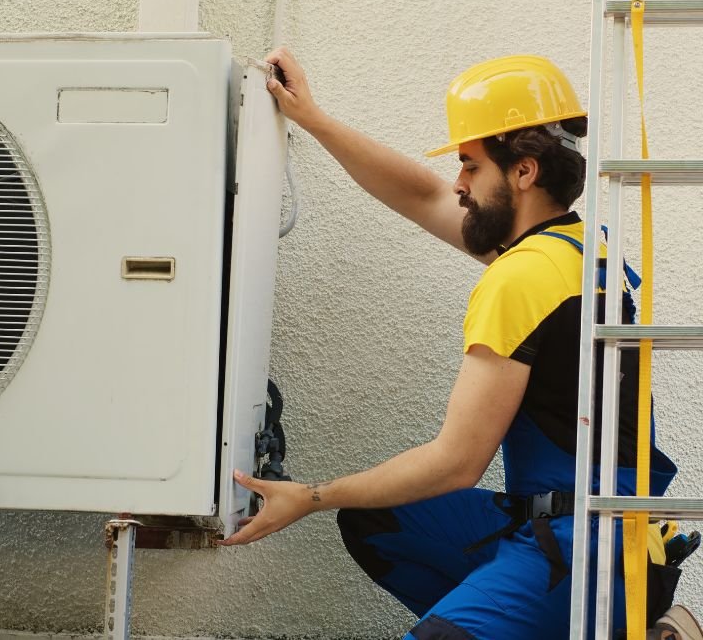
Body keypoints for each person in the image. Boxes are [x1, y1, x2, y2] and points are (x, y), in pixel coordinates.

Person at [219, 49, 685, 639]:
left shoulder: (520, 279)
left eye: (470, 166)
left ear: (524, 172)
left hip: (579, 549)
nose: (458, 185)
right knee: (378, 519)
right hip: (619, 533)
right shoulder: (576, 248)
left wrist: (310, 496)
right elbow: (423, 199)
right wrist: (315, 118)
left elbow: (457, 462)